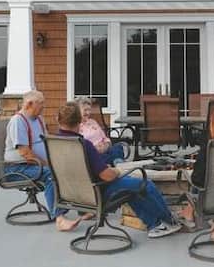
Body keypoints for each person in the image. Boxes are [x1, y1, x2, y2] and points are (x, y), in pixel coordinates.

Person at [56, 101, 182, 239]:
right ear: (79, 121)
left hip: (72, 195)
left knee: (131, 189)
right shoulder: (84, 145)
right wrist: (116, 171)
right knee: (145, 184)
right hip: (97, 192)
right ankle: (170, 220)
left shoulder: (55, 143)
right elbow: (107, 176)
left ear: (58, 120)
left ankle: (155, 225)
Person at [2, 90, 81, 232]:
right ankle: (59, 219)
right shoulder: (18, 121)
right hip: (17, 168)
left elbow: (47, 142)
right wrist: (49, 164)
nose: (44, 106)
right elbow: (25, 153)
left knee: (70, 167)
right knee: (51, 174)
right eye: (41, 103)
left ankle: (81, 207)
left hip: (35, 165)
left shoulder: (39, 119)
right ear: (29, 104)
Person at [77, 97, 127, 165]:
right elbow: (80, 146)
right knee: (104, 157)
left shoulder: (92, 122)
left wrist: (107, 144)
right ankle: (117, 164)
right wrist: (95, 149)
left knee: (118, 147)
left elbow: (104, 137)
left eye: (89, 110)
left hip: (105, 149)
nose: (88, 112)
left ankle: (117, 163)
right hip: (93, 154)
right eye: (85, 110)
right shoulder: (76, 126)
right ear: (77, 111)